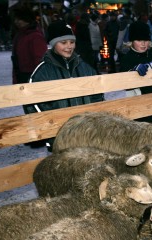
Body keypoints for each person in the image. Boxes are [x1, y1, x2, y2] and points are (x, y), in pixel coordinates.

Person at [28, 20, 105, 151]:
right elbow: (33, 102)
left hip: (87, 133)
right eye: (63, 42)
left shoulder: (85, 68)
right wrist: (52, 124)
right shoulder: (43, 72)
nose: (69, 46)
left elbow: (97, 95)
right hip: (59, 135)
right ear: (52, 44)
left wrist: (94, 120)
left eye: (72, 42)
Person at [11, 6, 48, 87]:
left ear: (27, 19)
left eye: (19, 19)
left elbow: (40, 60)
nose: (16, 22)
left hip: (31, 76)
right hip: (20, 75)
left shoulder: (35, 36)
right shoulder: (19, 35)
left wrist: (38, 79)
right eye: (16, 19)